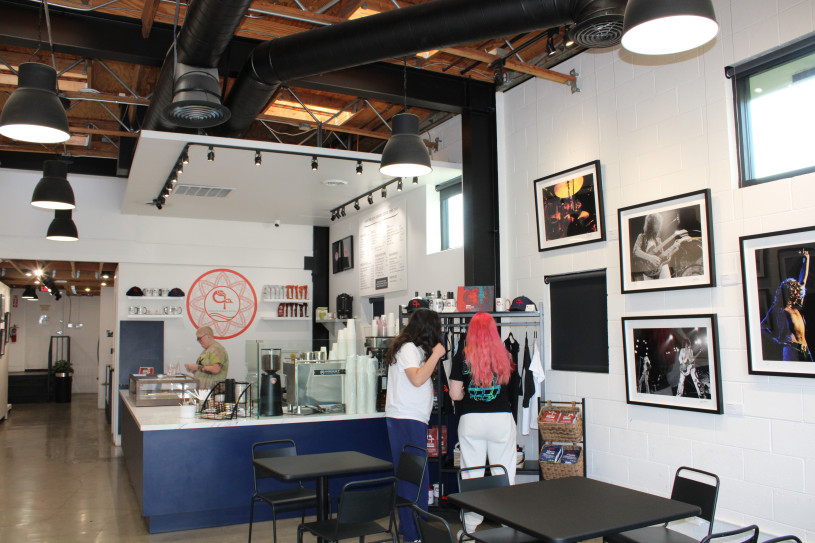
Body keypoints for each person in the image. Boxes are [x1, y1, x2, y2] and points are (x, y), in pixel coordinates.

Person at [449, 312, 519, 535]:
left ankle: (469, 530)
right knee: (505, 472)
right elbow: (512, 390)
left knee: (472, 474)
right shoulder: (505, 356)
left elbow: (455, 394)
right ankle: (509, 526)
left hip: (472, 421)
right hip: (500, 420)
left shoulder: (462, 357)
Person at [384, 308, 446, 543]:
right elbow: (417, 378)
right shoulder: (409, 349)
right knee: (413, 479)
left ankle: (413, 530)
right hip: (406, 420)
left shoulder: (413, 349)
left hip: (410, 420)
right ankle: (413, 534)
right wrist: (436, 355)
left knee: (415, 477)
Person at [762, 249, 812, 361]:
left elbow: (803, 281)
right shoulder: (779, 307)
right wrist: (777, 340)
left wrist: (806, 260)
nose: (795, 293)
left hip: (805, 349)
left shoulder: (796, 306)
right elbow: (762, 326)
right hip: (792, 350)